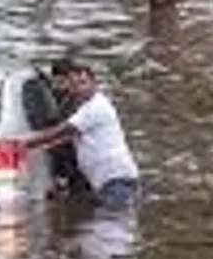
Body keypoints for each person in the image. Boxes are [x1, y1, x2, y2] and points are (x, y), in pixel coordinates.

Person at [25, 59, 139, 210]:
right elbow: (64, 138)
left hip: (116, 181)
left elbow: (62, 131)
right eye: (74, 85)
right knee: (108, 227)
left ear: (94, 84)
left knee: (112, 227)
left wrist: (23, 144)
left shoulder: (95, 108)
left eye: (83, 83)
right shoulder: (84, 108)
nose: (78, 88)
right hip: (108, 182)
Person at [47, 58, 92, 197]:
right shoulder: (60, 98)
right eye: (55, 82)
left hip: (78, 166)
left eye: (61, 82)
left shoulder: (79, 103)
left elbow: (67, 135)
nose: (57, 86)